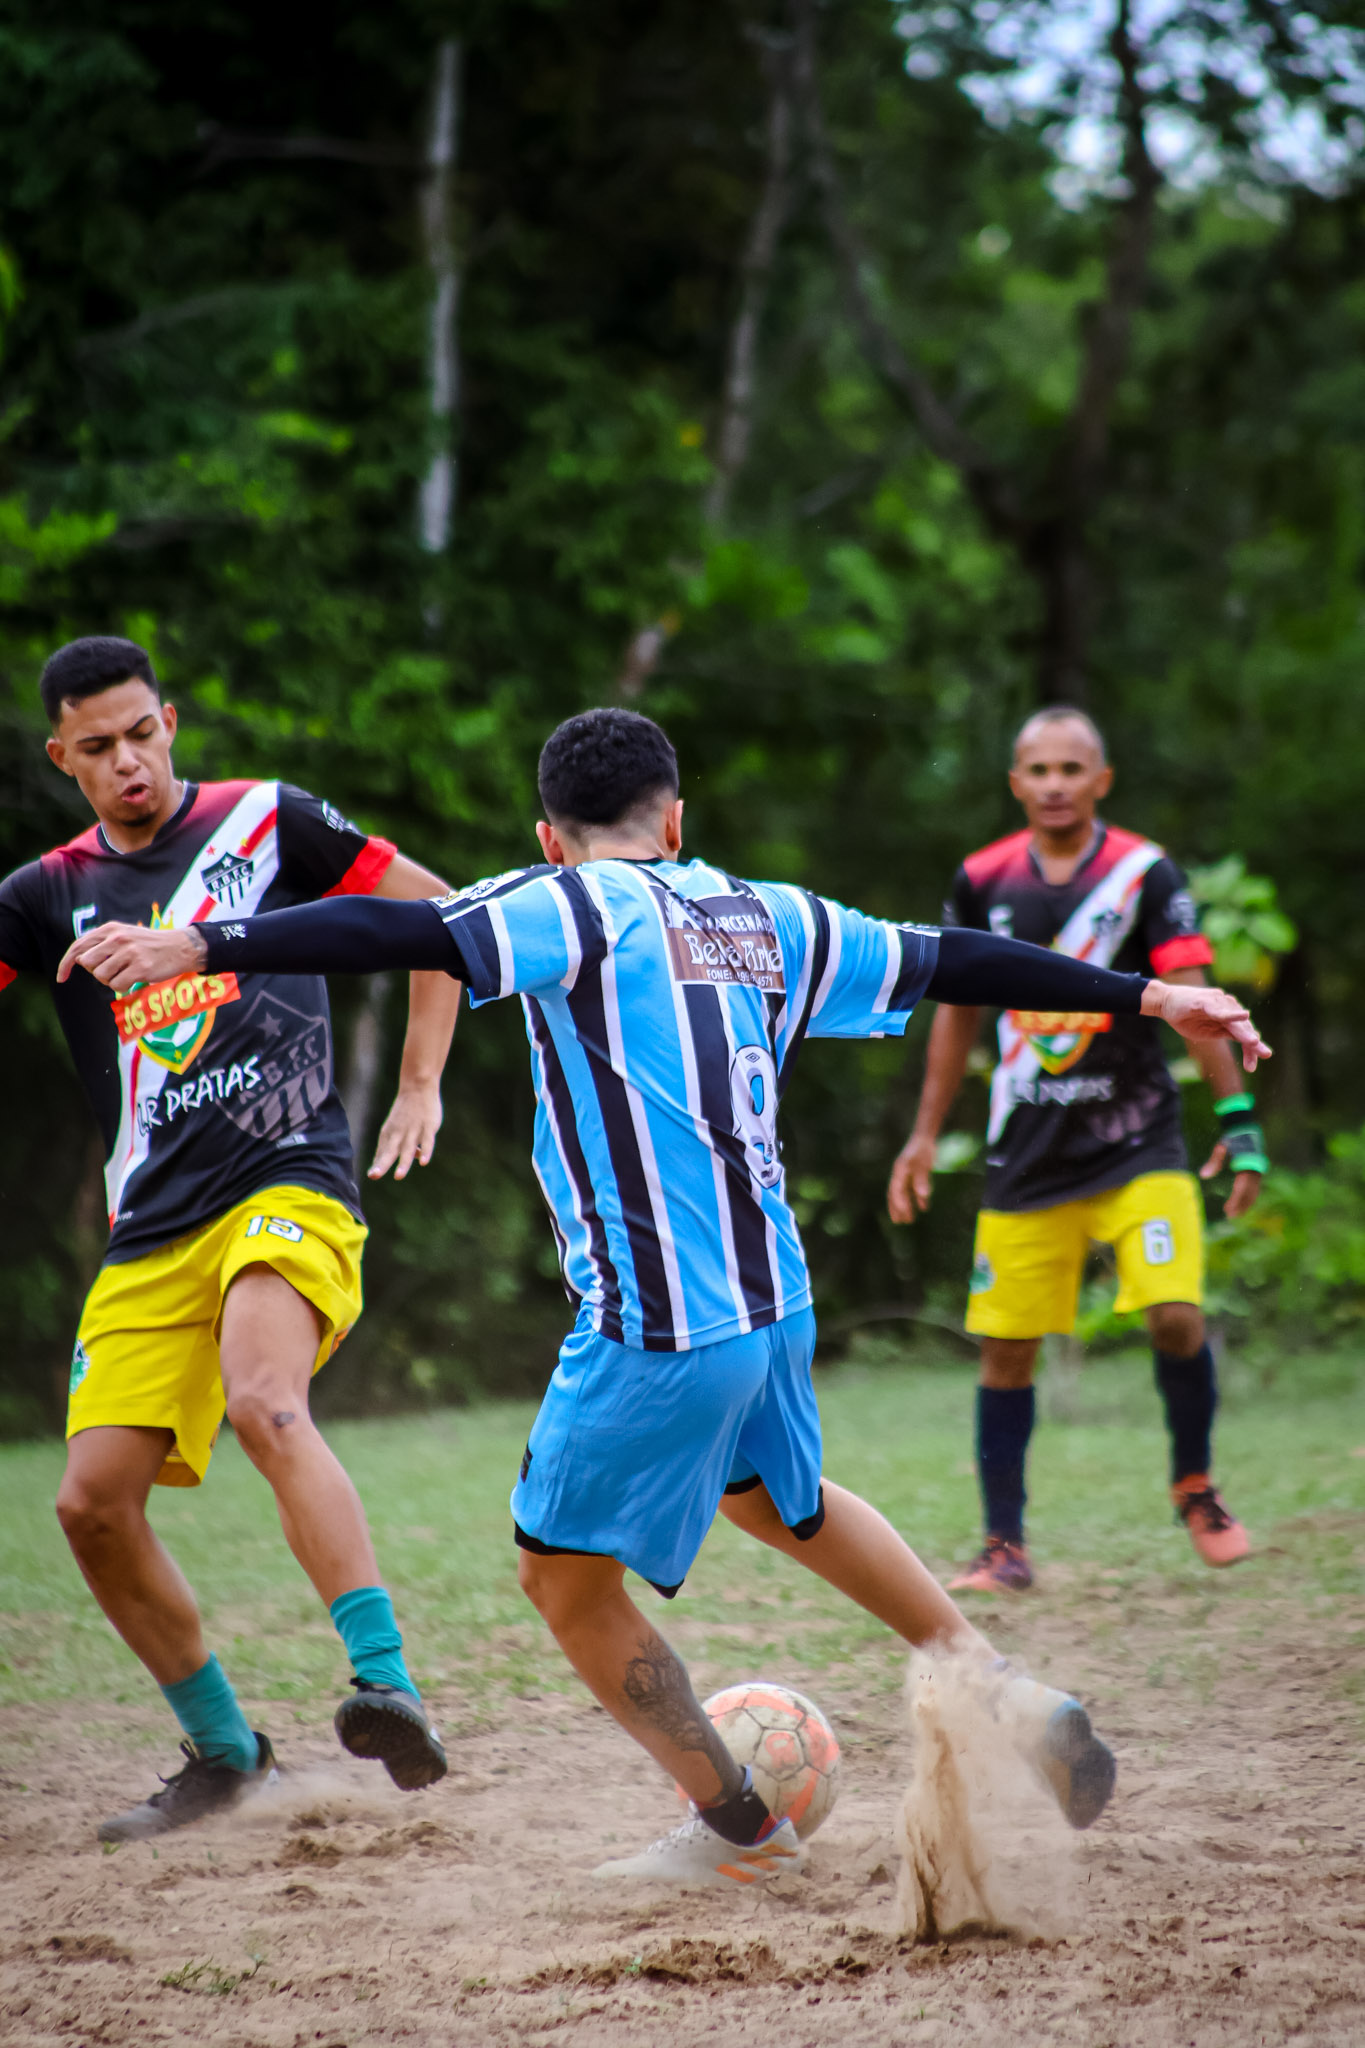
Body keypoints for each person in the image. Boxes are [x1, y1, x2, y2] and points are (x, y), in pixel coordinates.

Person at [61, 707, 1268, 1884]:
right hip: (774, 1301)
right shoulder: (770, 913)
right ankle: (1004, 1690)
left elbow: (400, 930)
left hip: (657, 1323)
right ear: (676, 817)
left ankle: (737, 1826)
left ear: (549, 836)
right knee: (780, 1504)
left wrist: (205, 944)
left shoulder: (567, 903)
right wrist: (1151, 996)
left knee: (563, 1579)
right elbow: (953, 956)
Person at [3, 636, 457, 1842]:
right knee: (90, 1506)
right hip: (150, 1227)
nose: (128, 760)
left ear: (170, 722)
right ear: (62, 758)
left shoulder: (266, 819)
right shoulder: (44, 893)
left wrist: (421, 1083)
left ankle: (387, 1684)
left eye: (142, 732)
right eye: (97, 746)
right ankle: (225, 1751)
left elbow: (446, 920)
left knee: (265, 1398)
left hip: (286, 1177)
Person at [887, 705, 1267, 1594]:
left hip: (1138, 1142)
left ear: (1101, 780)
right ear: (1015, 783)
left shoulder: (1143, 872)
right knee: (1005, 1349)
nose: (1055, 784)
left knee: (1174, 1313)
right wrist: (923, 1132)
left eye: (1071, 769)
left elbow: (1192, 991)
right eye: (1039, 769)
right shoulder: (981, 878)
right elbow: (955, 1012)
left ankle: (1195, 1487)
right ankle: (1003, 1546)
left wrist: (1238, 1122)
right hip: (1025, 1155)